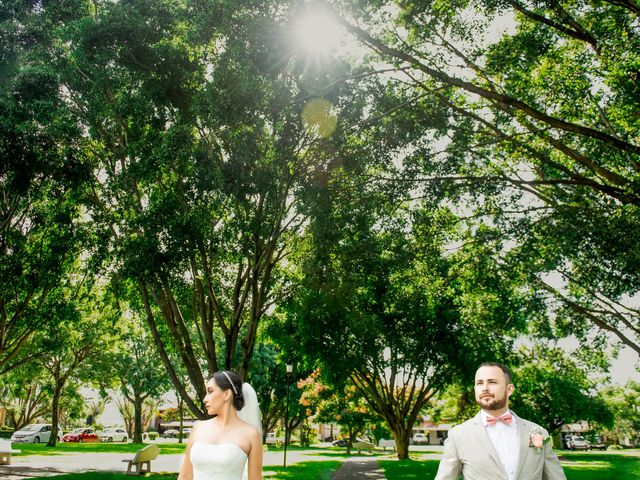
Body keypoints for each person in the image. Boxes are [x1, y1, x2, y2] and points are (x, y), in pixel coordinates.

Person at [435, 362, 566, 480]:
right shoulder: (458, 435)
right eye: (479, 383)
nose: (485, 388)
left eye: (492, 382)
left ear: (509, 390)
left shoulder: (539, 433)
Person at [177, 370, 263, 480]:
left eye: (210, 391)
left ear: (227, 394)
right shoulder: (198, 428)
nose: (204, 399)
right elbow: (185, 476)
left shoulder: (251, 434)